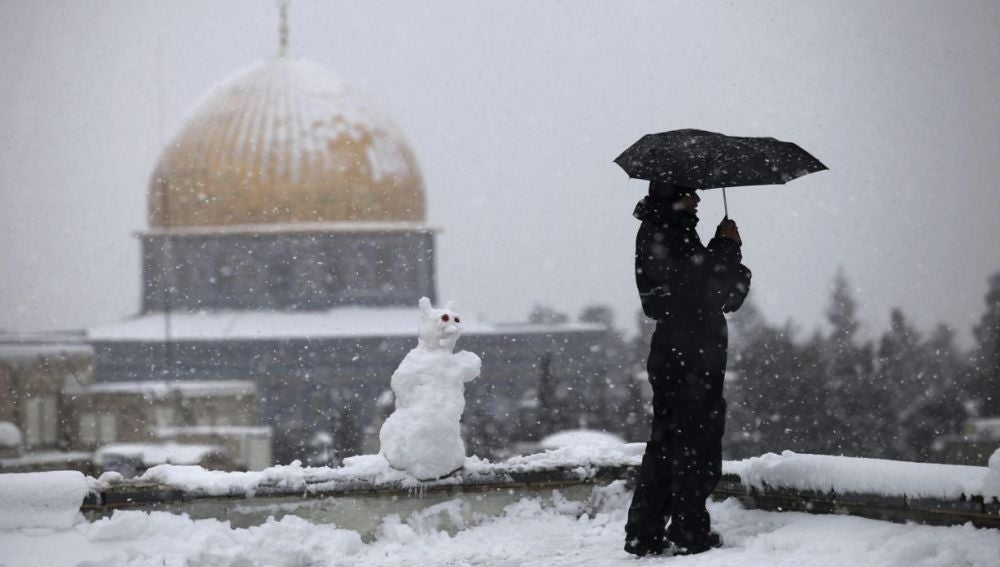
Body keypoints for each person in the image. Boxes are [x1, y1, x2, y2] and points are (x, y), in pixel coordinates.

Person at [624, 179, 751, 557]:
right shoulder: (669, 232)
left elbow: (695, 283)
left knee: (667, 441)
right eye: (689, 192)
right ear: (673, 196)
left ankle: (645, 532)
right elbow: (701, 290)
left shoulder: (662, 230)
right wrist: (728, 247)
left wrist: (721, 251)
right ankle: (688, 530)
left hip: (675, 348)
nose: (697, 198)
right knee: (696, 441)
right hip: (691, 351)